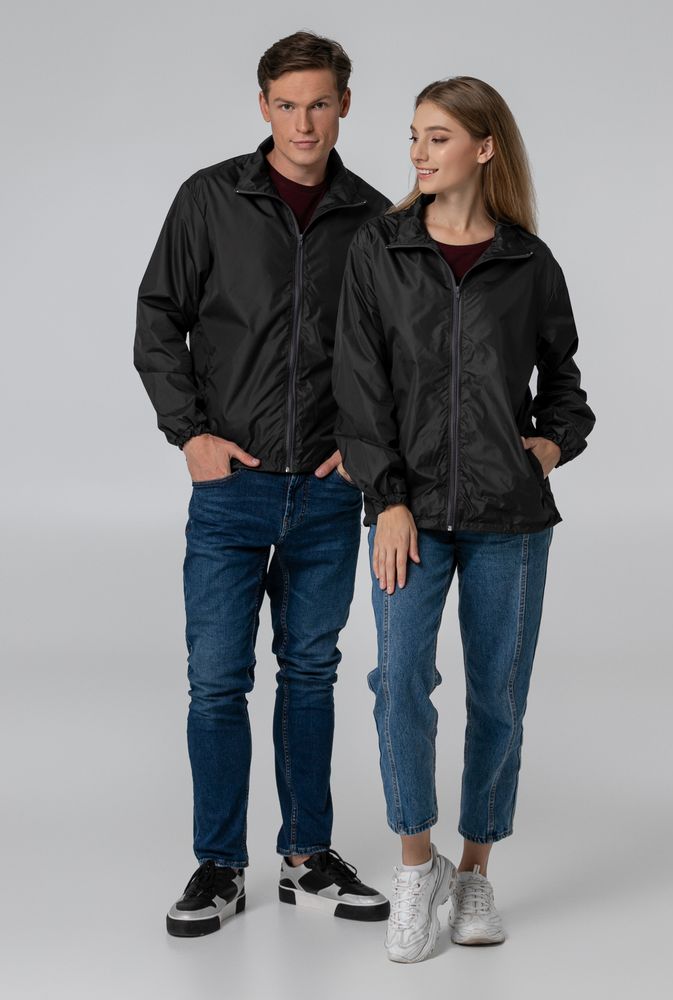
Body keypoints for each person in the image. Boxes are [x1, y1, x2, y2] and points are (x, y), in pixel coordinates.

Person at [134, 30, 392, 937]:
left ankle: (305, 857)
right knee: (216, 681)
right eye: (287, 105)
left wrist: (364, 447)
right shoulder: (211, 198)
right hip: (232, 487)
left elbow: (397, 350)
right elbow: (159, 318)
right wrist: (189, 433)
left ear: (345, 104)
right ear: (263, 107)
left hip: (326, 491)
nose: (304, 123)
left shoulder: (374, 218)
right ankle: (219, 865)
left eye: (319, 103)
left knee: (311, 675)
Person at [333, 76, 596, 962]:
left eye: (437, 137)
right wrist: (387, 500)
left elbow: (566, 384)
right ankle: (418, 865)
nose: (417, 152)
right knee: (399, 681)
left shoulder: (528, 262)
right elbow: (358, 387)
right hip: (409, 513)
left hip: (509, 519)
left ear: (485, 147)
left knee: (499, 697)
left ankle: (475, 868)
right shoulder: (381, 249)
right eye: (413, 135)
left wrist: (550, 444)